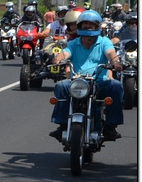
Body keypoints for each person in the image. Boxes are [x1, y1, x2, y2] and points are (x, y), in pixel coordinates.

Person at [49, 10, 124, 141]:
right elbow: (65, 53)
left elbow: (111, 53)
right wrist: (58, 59)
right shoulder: (74, 43)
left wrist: (116, 62)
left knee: (116, 86)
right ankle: (62, 125)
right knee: (61, 85)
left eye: (91, 24)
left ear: (97, 26)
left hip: (99, 82)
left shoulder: (104, 41)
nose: (87, 27)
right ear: (79, 26)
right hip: (77, 82)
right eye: (84, 24)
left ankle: (111, 127)